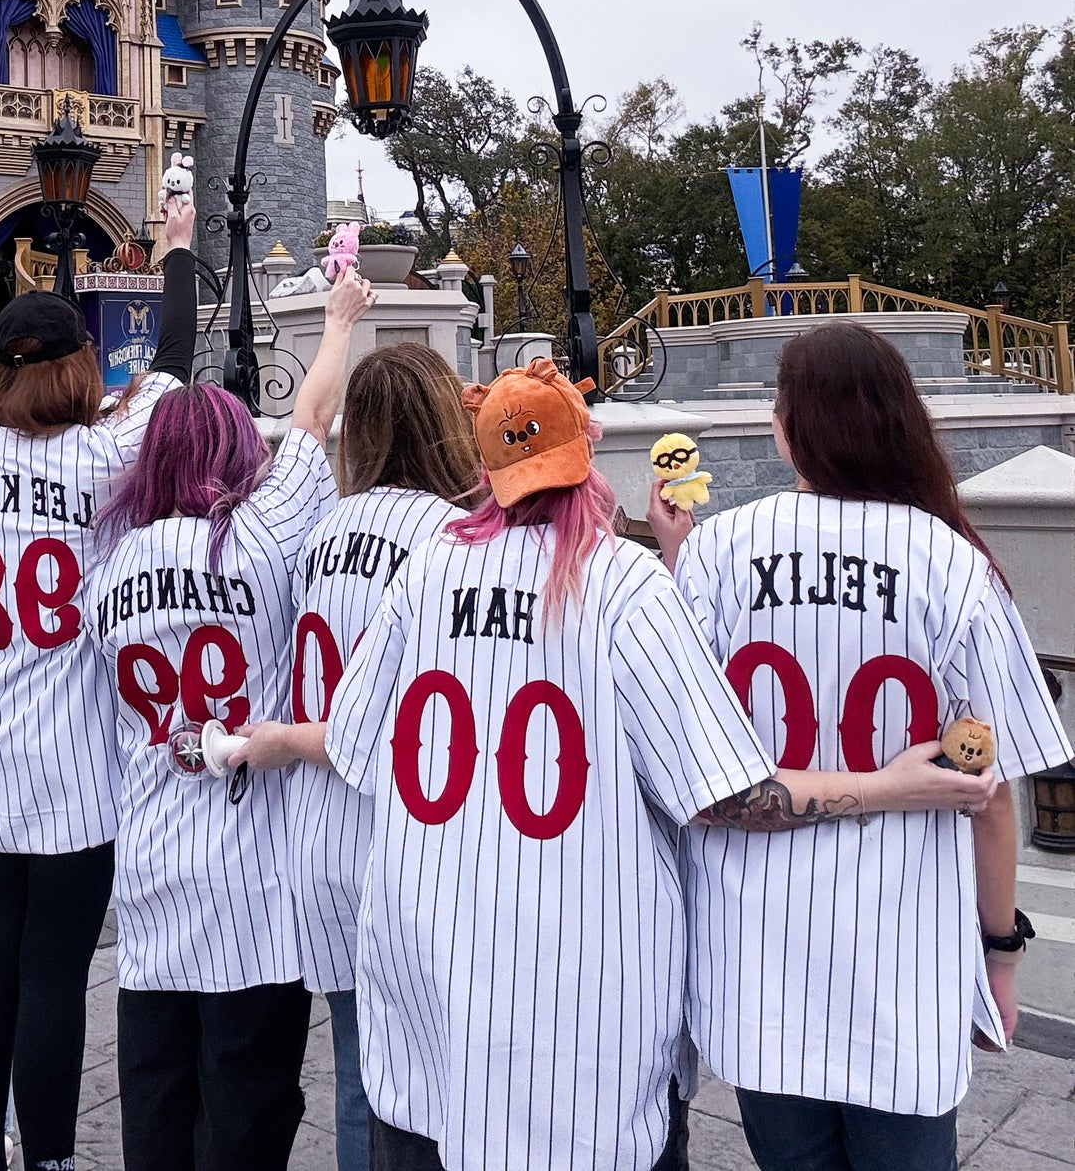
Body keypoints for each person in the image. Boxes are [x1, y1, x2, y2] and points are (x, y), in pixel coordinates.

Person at [232, 358, 991, 1171]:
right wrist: (889, 785)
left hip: (427, 997)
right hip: (581, 1014)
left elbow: (351, 742)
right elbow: (729, 795)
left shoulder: (427, 569)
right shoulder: (623, 583)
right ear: (582, 456)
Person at [647, 323, 1073, 1171]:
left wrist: (678, 558)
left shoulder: (718, 552)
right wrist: (999, 951)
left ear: (786, 426)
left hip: (754, 962)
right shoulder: (951, 563)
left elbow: (687, 766)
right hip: (903, 969)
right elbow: (989, 797)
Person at [0, 195, 199, 1171]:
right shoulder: (105, 461)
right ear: (80, 364)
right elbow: (171, 369)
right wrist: (172, 252)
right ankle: (46, 1156)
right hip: (79, 763)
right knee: (52, 975)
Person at [89, 266, 376, 1171]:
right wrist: (336, 317)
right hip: (253, 877)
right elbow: (315, 419)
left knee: (158, 1099)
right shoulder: (257, 534)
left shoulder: (110, 569)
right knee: (247, 1104)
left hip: (148, 861)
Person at [286, 343, 484, 1171]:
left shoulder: (316, 528)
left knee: (360, 1072)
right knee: (441, 1080)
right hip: (413, 836)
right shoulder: (455, 539)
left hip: (319, 834)